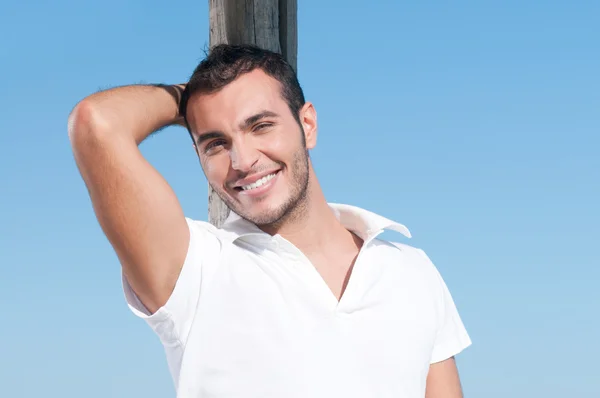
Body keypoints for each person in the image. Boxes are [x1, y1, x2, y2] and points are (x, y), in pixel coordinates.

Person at [68, 44, 471, 398]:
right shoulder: (195, 271)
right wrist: (188, 99)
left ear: (307, 125)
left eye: (260, 125)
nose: (243, 161)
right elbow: (96, 124)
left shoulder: (410, 269)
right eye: (215, 143)